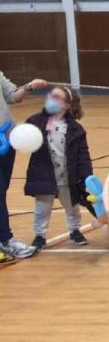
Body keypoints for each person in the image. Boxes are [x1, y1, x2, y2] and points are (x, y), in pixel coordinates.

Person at [24, 86, 92, 249]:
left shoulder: (76, 129)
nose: (50, 98)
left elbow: (83, 154)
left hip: (67, 177)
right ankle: (40, 235)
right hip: (44, 174)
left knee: (72, 207)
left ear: (66, 105)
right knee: (42, 208)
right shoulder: (35, 121)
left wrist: (87, 175)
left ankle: (75, 230)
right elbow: (25, 138)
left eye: (56, 97)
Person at [0, 71, 46, 259]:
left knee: (2, 191)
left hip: (6, 141)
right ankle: (6, 240)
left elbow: (12, 96)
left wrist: (30, 86)